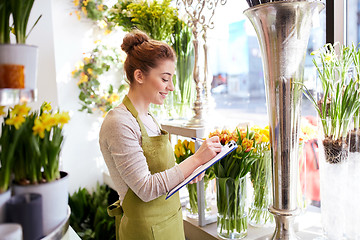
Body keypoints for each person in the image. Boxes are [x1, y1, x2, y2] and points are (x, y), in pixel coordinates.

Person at [99, 30, 221, 240]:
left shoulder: (148, 117)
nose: (171, 87)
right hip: (145, 231)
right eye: (165, 79)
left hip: (170, 223)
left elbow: (160, 174)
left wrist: (186, 175)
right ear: (139, 76)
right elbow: (146, 188)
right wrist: (196, 159)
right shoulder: (119, 122)